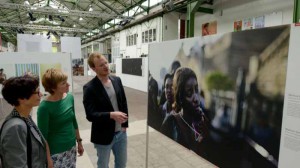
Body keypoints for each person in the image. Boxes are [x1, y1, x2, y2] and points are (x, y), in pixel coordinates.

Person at [83, 52, 128, 168]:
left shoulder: (117, 80)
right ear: (93, 68)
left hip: (121, 133)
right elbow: (90, 115)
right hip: (103, 135)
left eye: (106, 63)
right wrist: (110, 115)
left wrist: (125, 125)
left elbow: (123, 102)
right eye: (101, 65)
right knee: (103, 165)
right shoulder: (89, 88)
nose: (106, 66)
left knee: (121, 164)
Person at [37, 68, 84, 168]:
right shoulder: (44, 107)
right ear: (53, 88)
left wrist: (79, 142)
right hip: (56, 152)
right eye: (63, 83)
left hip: (71, 148)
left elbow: (73, 121)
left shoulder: (69, 97)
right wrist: (48, 159)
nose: (68, 85)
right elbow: (42, 137)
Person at [0, 76, 50, 167]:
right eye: (37, 92)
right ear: (22, 98)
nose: (41, 94)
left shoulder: (25, 117)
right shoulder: (15, 127)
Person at [161, 67, 208, 155]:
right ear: (180, 97)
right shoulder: (170, 122)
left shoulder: (200, 123)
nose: (196, 99)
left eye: (196, 90)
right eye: (189, 92)